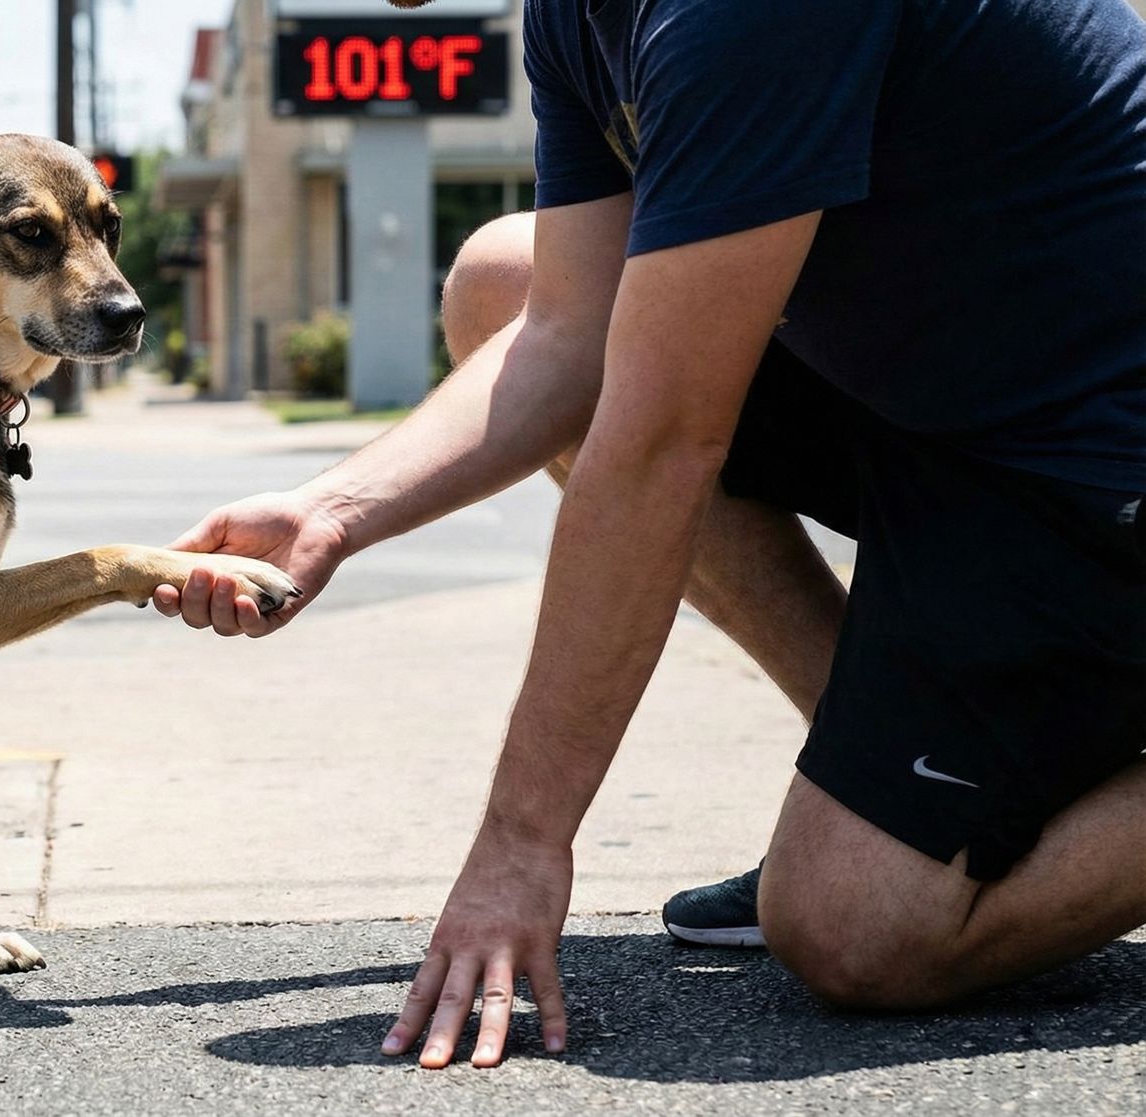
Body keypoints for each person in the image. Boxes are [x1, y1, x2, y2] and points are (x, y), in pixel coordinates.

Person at [154, 0, 1146, 1071]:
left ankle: (908, 836)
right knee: (506, 278)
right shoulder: (574, 13)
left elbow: (659, 443)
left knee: (856, 927)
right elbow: (566, 333)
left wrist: (521, 843)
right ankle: (904, 786)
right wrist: (333, 510)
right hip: (957, 414)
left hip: (1095, 459)